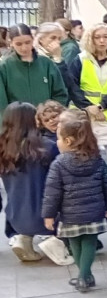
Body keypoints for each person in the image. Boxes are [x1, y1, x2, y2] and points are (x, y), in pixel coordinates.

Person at [41, 110, 107, 293]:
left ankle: (82, 276)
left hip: (70, 214)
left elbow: (52, 193)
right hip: (94, 211)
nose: (56, 142)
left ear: (68, 141)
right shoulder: (97, 160)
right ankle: (86, 276)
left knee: (75, 244)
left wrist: (48, 215)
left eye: (58, 138)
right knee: (90, 242)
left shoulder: (58, 164)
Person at [1, 102, 57, 261]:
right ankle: (57, 241)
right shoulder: (48, 147)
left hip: (15, 218)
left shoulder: (3, 150)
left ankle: (23, 238)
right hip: (47, 218)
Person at [63, 23, 107, 164]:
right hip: (85, 118)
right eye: (97, 37)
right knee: (88, 159)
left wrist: (101, 106)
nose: (102, 41)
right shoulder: (81, 59)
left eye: (105, 37)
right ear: (91, 39)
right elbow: (73, 86)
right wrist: (89, 107)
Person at [1, 25, 69, 108]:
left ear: (33, 39)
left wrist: (53, 113)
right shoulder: (4, 67)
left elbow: (60, 93)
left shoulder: (46, 64)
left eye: (27, 42)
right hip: (17, 119)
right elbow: (1, 102)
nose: (24, 48)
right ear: (11, 43)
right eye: (18, 44)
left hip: (46, 118)